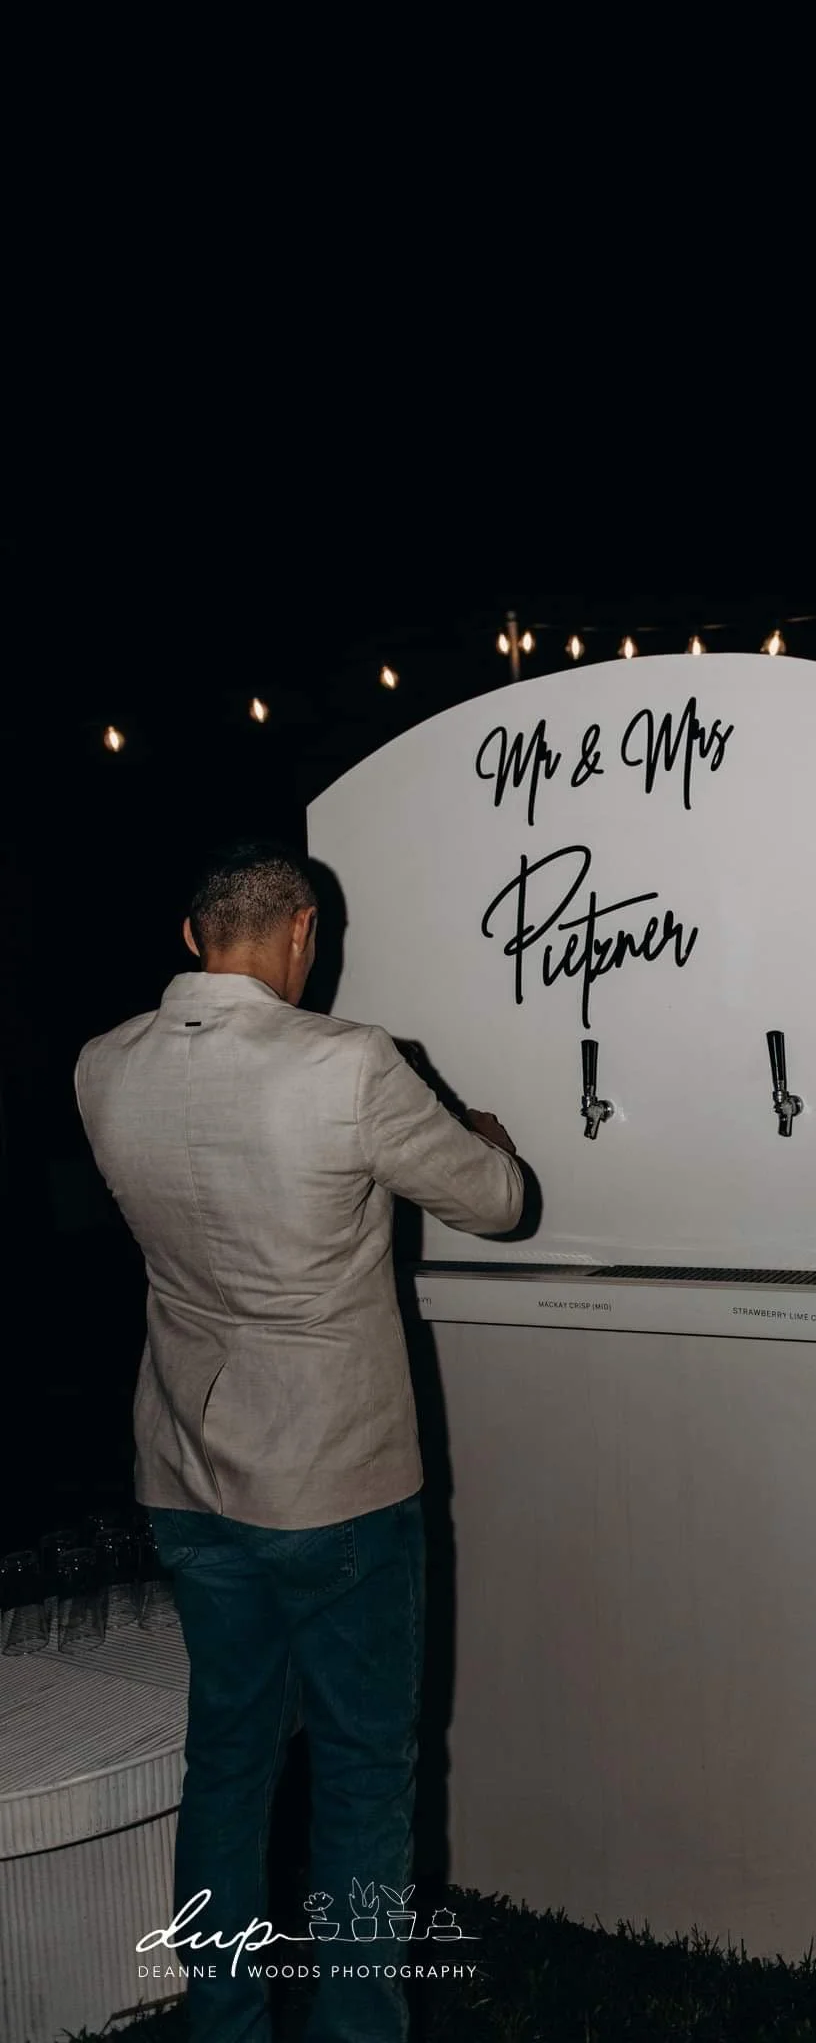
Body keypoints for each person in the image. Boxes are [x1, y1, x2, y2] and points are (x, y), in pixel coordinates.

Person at [74, 841, 523, 2043]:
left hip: (186, 1472)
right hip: (336, 1486)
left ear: (191, 938)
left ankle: (224, 2022)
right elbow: (499, 1199)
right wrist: (467, 1130)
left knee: (225, 1765)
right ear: (302, 934)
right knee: (365, 1775)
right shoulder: (349, 1063)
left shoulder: (101, 1066)